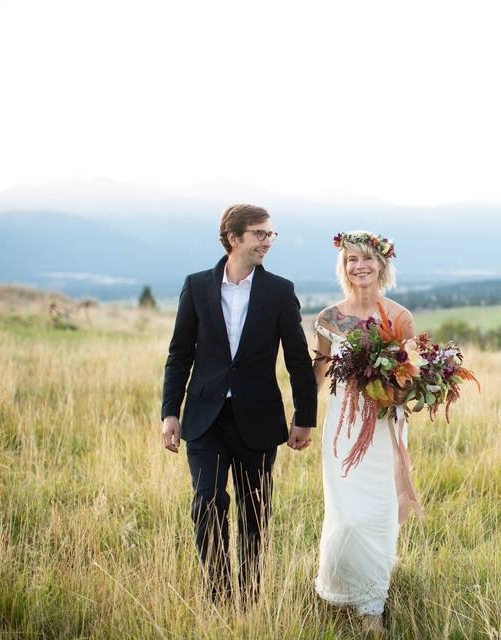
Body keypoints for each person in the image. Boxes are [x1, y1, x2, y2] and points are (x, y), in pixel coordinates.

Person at [160, 204, 317, 605]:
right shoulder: (196, 286)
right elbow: (180, 353)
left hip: (259, 421)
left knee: (255, 515)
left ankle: (247, 599)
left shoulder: (279, 291)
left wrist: (304, 417)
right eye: (260, 234)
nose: (268, 241)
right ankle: (218, 594)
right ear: (234, 238)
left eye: (271, 235)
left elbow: (297, 358)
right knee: (207, 502)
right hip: (205, 418)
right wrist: (169, 412)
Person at [313, 231, 420, 634]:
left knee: (378, 515)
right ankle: (341, 587)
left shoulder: (400, 316)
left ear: (382, 265)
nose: (359, 266)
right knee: (347, 515)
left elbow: (411, 374)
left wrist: (399, 387)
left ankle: (371, 606)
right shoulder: (328, 318)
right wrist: (300, 417)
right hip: (343, 427)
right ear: (343, 268)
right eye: (351, 260)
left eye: (367, 259)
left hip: (383, 425)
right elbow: (319, 375)